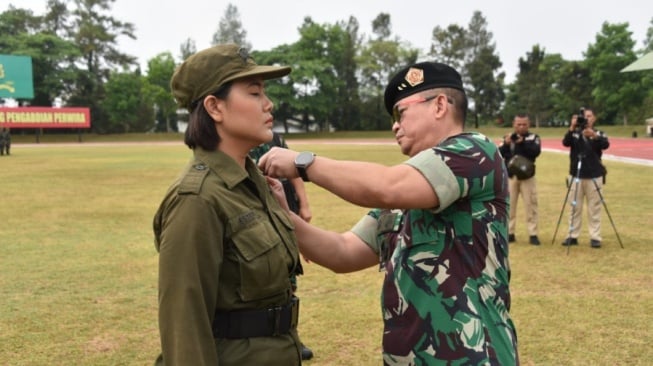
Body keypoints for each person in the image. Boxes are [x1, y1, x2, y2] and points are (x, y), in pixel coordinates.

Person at [260, 62, 519, 365]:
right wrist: (282, 214)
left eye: (400, 113)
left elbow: (386, 185)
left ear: (439, 106)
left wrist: (304, 163)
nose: (394, 125)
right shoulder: (406, 195)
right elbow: (342, 252)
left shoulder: (474, 151)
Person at [152, 44, 304, 365]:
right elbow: (185, 324)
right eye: (254, 93)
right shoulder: (196, 199)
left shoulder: (254, 183)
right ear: (215, 107)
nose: (268, 104)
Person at [249, 131, 314, 361]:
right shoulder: (240, 139)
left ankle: (291, 335)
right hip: (257, 213)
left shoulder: (274, 139)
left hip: (283, 206)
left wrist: (303, 205)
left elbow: (294, 173)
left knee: (290, 276)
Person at [561, 107, 610, 248]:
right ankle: (572, 235)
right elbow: (565, 142)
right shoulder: (575, 133)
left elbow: (606, 144)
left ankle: (595, 236)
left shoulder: (599, 133)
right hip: (576, 174)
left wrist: (593, 135)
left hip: (594, 174)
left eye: (589, 116)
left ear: (594, 118)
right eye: (583, 116)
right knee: (574, 207)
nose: (586, 119)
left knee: (594, 207)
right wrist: (572, 126)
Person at [498, 114, 541, 245]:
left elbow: (536, 152)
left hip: (527, 176)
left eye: (524, 124)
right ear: (514, 124)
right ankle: (509, 232)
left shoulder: (533, 138)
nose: (521, 127)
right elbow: (499, 153)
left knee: (531, 205)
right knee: (509, 206)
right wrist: (506, 144)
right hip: (511, 177)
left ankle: (533, 233)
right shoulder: (508, 138)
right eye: (518, 124)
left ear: (529, 125)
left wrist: (522, 144)